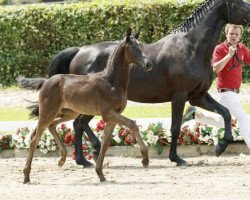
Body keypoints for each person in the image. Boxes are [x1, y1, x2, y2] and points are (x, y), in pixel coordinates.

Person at [182, 23, 250, 148]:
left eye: (236, 34)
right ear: (226, 34)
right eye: (231, 33)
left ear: (240, 36)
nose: (233, 36)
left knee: (224, 122)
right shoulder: (220, 48)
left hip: (235, 93)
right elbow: (216, 68)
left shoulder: (242, 48)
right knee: (243, 118)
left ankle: (195, 114)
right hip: (226, 92)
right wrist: (229, 55)